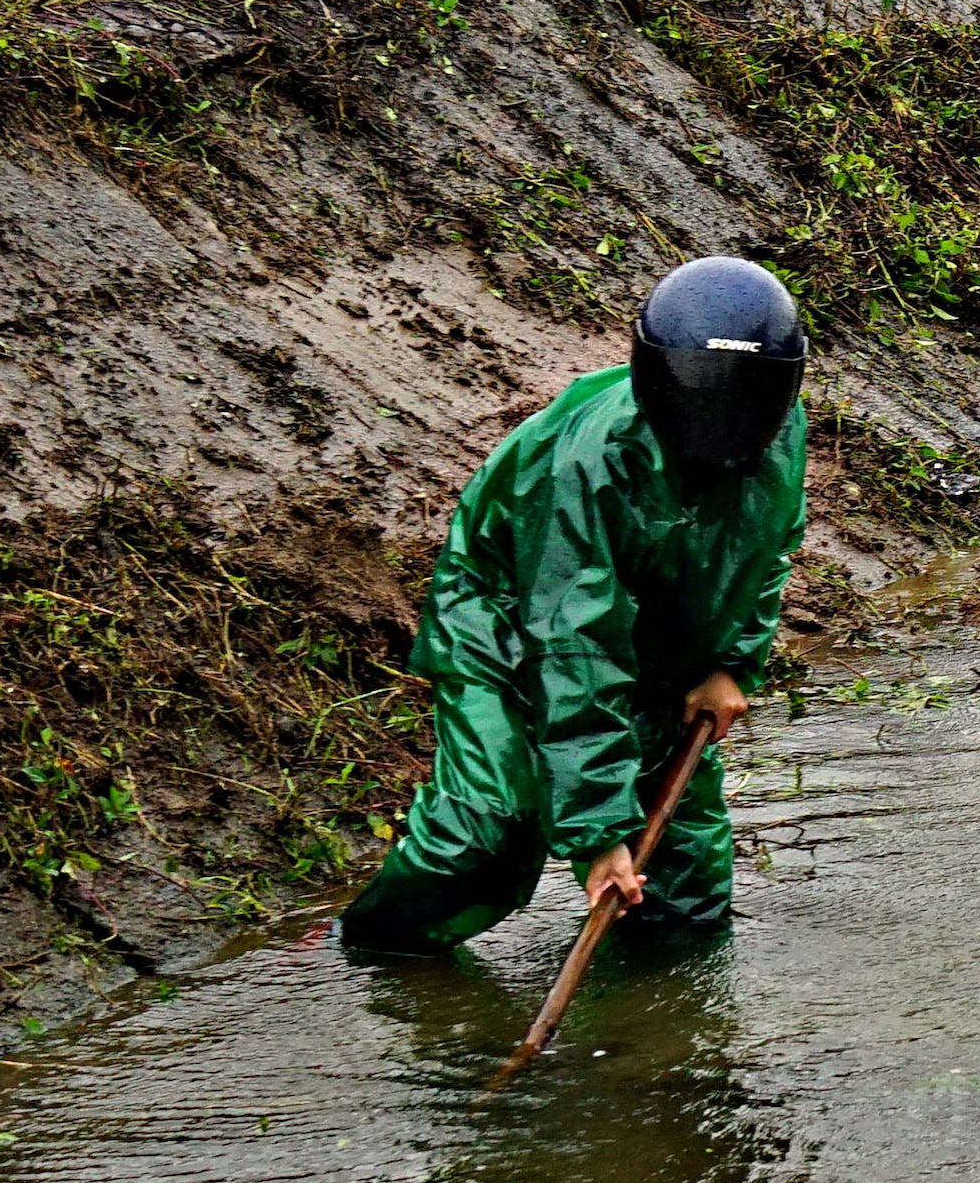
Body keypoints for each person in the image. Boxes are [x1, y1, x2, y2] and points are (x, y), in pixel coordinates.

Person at [339, 257, 807, 956]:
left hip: (659, 628)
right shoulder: (587, 465)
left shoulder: (778, 434)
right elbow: (572, 644)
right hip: (511, 629)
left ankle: (655, 1041)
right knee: (489, 830)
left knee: (685, 884)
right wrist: (597, 835)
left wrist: (729, 664)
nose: (721, 413)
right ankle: (373, 942)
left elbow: (765, 549)